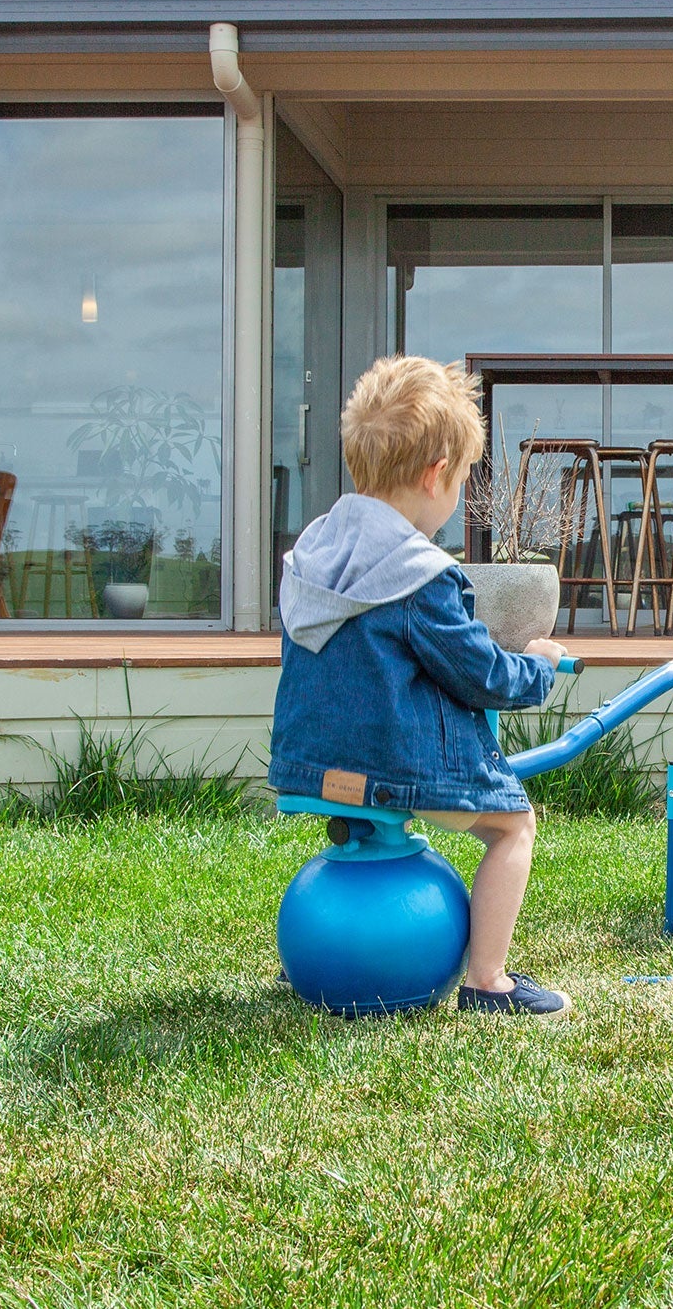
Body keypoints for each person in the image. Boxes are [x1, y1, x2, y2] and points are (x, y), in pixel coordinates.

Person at [268, 354, 573, 1016]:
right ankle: (489, 981)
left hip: (308, 768)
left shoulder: (313, 554)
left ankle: (333, 942)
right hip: (391, 770)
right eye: (464, 478)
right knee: (514, 826)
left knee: (383, 793)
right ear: (437, 476)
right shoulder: (418, 572)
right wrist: (541, 666)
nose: (460, 491)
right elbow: (483, 675)